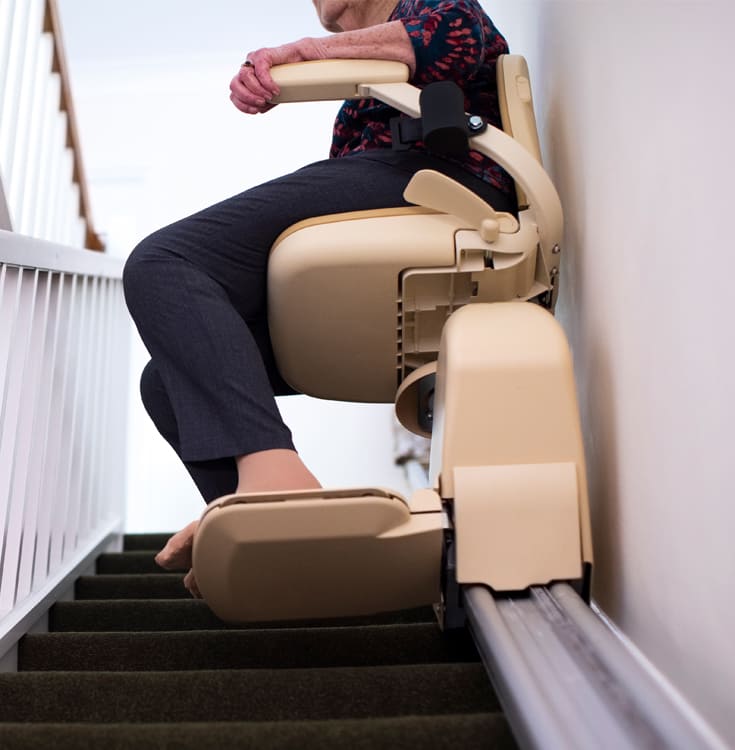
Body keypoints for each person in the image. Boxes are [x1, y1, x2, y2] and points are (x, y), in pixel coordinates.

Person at [122, 0, 515, 596]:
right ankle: (269, 533)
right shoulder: (363, 88)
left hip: (441, 184)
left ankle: (275, 480)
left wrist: (301, 53)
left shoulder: (435, 6)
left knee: (164, 261)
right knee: (166, 380)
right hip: (394, 221)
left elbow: (455, 36)